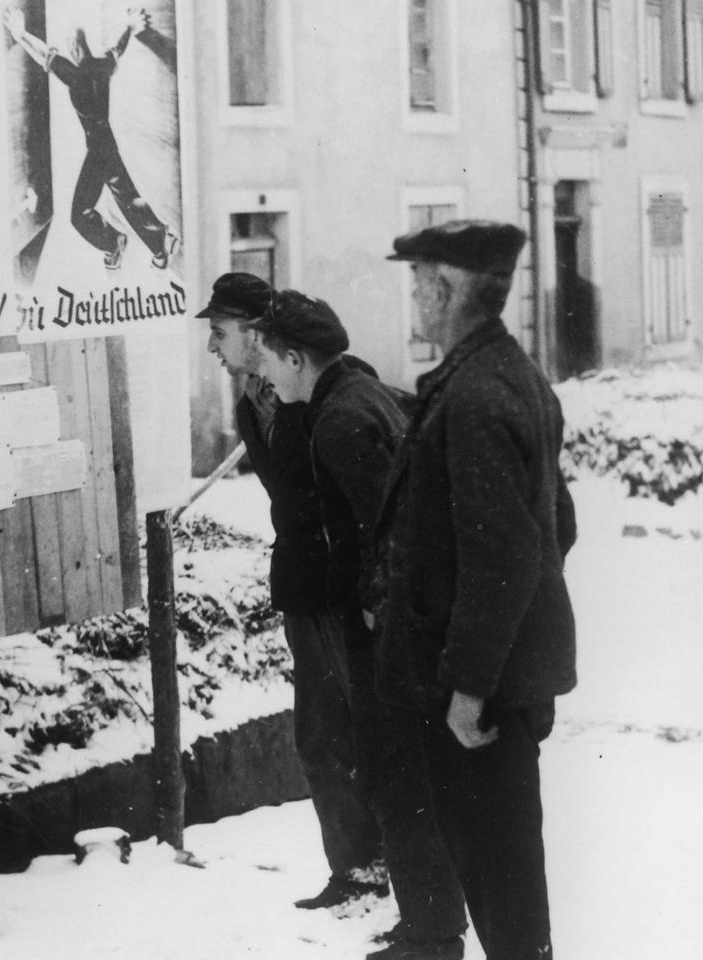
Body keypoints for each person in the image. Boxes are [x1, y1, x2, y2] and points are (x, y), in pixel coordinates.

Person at [374, 220, 577, 960]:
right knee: (504, 870)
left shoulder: (474, 395)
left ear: (450, 288)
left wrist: (469, 683)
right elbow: (559, 527)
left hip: (477, 694)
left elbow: (506, 554)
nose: (416, 298)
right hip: (499, 677)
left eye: (420, 280)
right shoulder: (508, 377)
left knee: (501, 879)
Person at [255, 291, 466, 960]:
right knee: (404, 774)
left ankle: (429, 934)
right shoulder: (359, 391)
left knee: (395, 774)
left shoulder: (338, 421)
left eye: (267, 360)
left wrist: (379, 605)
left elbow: (390, 527)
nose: (263, 375)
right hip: (401, 624)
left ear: (296, 358)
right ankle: (430, 922)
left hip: (386, 634)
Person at [195, 273, 389, 910]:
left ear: (258, 335)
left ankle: (407, 873)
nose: (213, 349)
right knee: (320, 735)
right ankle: (357, 870)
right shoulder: (254, 399)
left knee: (376, 733)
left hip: (350, 589)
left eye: (220, 333)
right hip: (307, 586)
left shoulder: (332, 387)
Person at [2, 4, 179, 271]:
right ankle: (136, 242)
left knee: (86, 212)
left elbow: (43, 55)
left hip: (99, 149)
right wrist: (129, 27)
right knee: (123, 197)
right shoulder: (102, 67)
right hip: (103, 144)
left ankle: (142, 243)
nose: (65, 50)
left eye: (67, 45)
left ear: (74, 47)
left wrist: (21, 35)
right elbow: (119, 48)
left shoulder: (75, 75)